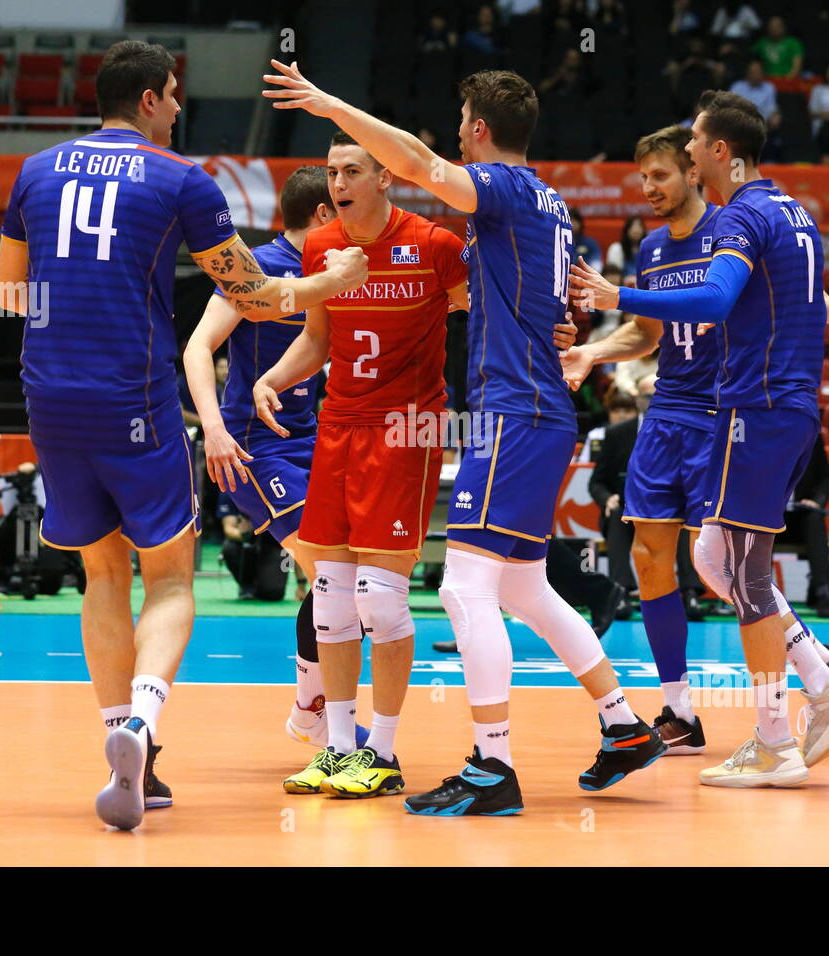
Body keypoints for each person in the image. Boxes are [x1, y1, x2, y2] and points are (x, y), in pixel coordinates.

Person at [265, 60, 665, 814]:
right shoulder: (549, 201)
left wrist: (327, 102)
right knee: (523, 586)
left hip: (514, 412)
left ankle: (493, 765)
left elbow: (416, 165)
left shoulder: (507, 188)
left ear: (479, 129)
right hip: (537, 407)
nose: (454, 138)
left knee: (461, 588)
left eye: (460, 126)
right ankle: (623, 725)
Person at [0, 41, 367, 832]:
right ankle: (142, 724)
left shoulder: (35, 171)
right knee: (167, 577)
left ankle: (124, 751)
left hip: (50, 397)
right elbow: (255, 296)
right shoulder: (179, 179)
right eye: (174, 95)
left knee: (101, 576)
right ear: (155, 99)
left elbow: (6, 293)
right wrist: (327, 285)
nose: (176, 106)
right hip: (136, 396)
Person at [569, 90, 829, 788]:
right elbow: (809, 303)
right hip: (780, 406)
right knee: (716, 556)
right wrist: (600, 345)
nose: (688, 150)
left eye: (695, 143)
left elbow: (711, 301)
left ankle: (777, 736)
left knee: (741, 569)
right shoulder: (793, 211)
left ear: (717, 154)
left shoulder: (739, 218)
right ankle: (819, 681)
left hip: (748, 409)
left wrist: (620, 296)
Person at [249, 131, 468, 800]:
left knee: (380, 598)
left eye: (351, 171)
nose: (337, 183)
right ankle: (339, 749)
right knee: (330, 600)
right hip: (339, 428)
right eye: (331, 171)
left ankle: (385, 749)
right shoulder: (322, 248)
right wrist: (274, 380)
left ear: (385, 179)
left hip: (406, 429)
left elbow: (483, 311)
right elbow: (318, 337)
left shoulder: (434, 246)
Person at [184, 164, 369, 751]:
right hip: (253, 447)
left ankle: (309, 711)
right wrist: (212, 430)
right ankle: (318, 718)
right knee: (333, 576)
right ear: (322, 215)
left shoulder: (331, 273)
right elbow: (197, 347)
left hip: (314, 439)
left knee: (353, 577)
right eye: (341, 207)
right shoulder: (255, 270)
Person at [587, 387, 640, 601]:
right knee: (617, 516)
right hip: (623, 509)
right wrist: (607, 498)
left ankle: (689, 592)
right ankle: (622, 590)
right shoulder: (612, 435)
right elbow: (595, 482)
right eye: (617, 410)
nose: (622, 415)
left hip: (659, 509)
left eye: (627, 410)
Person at [778, 434, 829, 617]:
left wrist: (816, 501)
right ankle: (759, 595)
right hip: (770, 516)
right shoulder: (762, 435)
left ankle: (822, 592)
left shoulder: (812, 437)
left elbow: (826, 477)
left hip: (800, 518)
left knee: (814, 519)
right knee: (763, 522)